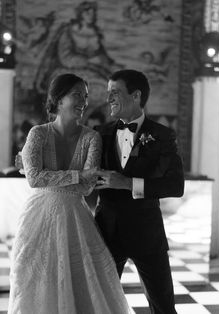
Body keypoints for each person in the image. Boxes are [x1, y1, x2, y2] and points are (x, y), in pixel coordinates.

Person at [8, 73, 132, 314]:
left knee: (82, 283)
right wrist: (76, 175)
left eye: (85, 97)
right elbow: (34, 179)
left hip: (76, 219)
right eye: (77, 95)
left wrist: (66, 178)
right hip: (37, 219)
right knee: (35, 280)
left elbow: (87, 187)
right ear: (58, 98)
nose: (83, 102)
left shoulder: (91, 137)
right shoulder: (38, 134)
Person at [94, 69, 184, 314]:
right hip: (106, 233)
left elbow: (175, 186)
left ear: (136, 96)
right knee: (99, 305)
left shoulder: (162, 136)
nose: (109, 98)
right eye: (108, 92)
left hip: (147, 233)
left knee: (163, 307)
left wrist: (128, 183)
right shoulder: (99, 134)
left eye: (115, 92)